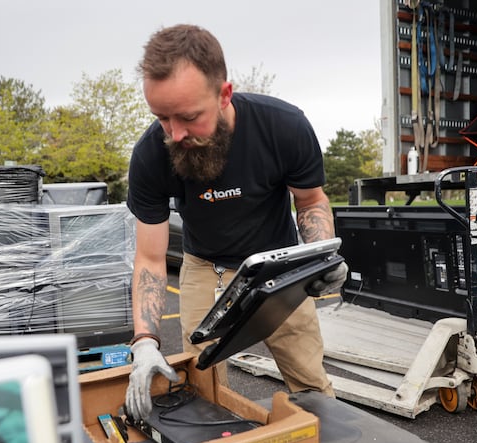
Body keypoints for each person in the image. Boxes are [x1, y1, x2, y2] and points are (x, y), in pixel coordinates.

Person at [124, 24, 348, 422]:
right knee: (201, 388)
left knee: (311, 383)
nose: (175, 134)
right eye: (162, 118)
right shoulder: (149, 157)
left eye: (189, 117)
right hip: (204, 266)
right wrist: (144, 342)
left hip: (280, 267)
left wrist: (322, 258)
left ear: (224, 93)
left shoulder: (283, 127)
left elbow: (311, 202)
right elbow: (151, 258)